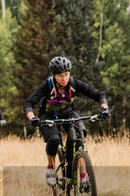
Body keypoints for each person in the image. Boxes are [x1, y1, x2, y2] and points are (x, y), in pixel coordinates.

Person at [24, 56, 109, 188]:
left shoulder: (74, 84)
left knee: (79, 140)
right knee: (54, 140)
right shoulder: (47, 85)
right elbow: (29, 103)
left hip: (69, 113)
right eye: (60, 76)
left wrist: (104, 108)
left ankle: (82, 177)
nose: (64, 78)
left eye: (66, 74)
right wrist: (32, 118)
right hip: (48, 115)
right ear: (53, 75)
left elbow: (99, 95)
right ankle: (51, 168)